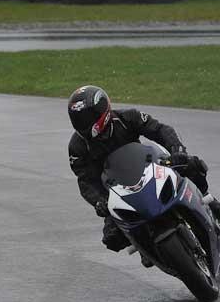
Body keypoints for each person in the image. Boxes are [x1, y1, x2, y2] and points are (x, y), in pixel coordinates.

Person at [67, 85, 220, 262]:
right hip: (116, 191)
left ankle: (209, 201)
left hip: (148, 168)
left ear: (102, 109)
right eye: (78, 119)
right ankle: (146, 247)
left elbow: (161, 130)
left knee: (191, 164)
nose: (83, 122)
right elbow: (85, 180)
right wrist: (99, 201)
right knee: (111, 238)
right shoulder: (77, 147)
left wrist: (177, 151)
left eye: (86, 117)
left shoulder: (127, 117)